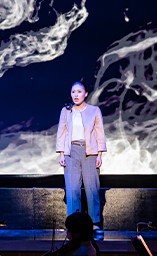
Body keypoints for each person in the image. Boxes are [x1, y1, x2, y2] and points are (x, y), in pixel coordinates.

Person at [56, 82, 107, 233]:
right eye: (73, 92)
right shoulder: (66, 111)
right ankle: (73, 225)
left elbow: (99, 133)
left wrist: (99, 154)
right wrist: (61, 153)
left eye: (79, 92)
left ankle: (94, 223)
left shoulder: (94, 110)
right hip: (71, 152)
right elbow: (61, 132)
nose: (76, 95)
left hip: (89, 152)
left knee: (92, 188)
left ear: (85, 94)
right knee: (72, 190)